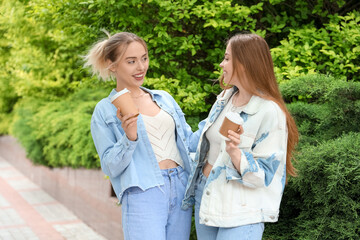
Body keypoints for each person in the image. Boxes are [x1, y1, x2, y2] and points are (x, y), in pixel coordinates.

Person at [84, 31, 202, 240]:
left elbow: (190, 142)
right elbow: (110, 167)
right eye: (131, 61)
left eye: (144, 58)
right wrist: (129, 138)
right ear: (113, 65)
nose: (141, 67)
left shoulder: (164, 98)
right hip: (143, 191)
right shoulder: (105, 111)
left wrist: (217, 116)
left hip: (181, 186)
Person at [181, 33, 299, 240]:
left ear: (244, 64)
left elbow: (266, 174)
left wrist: (235, 153)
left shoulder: (269, 111)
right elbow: (203, 141)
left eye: (227, 58)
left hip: (241, 209)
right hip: (206, 195)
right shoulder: (225, 99)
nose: (221, 64)